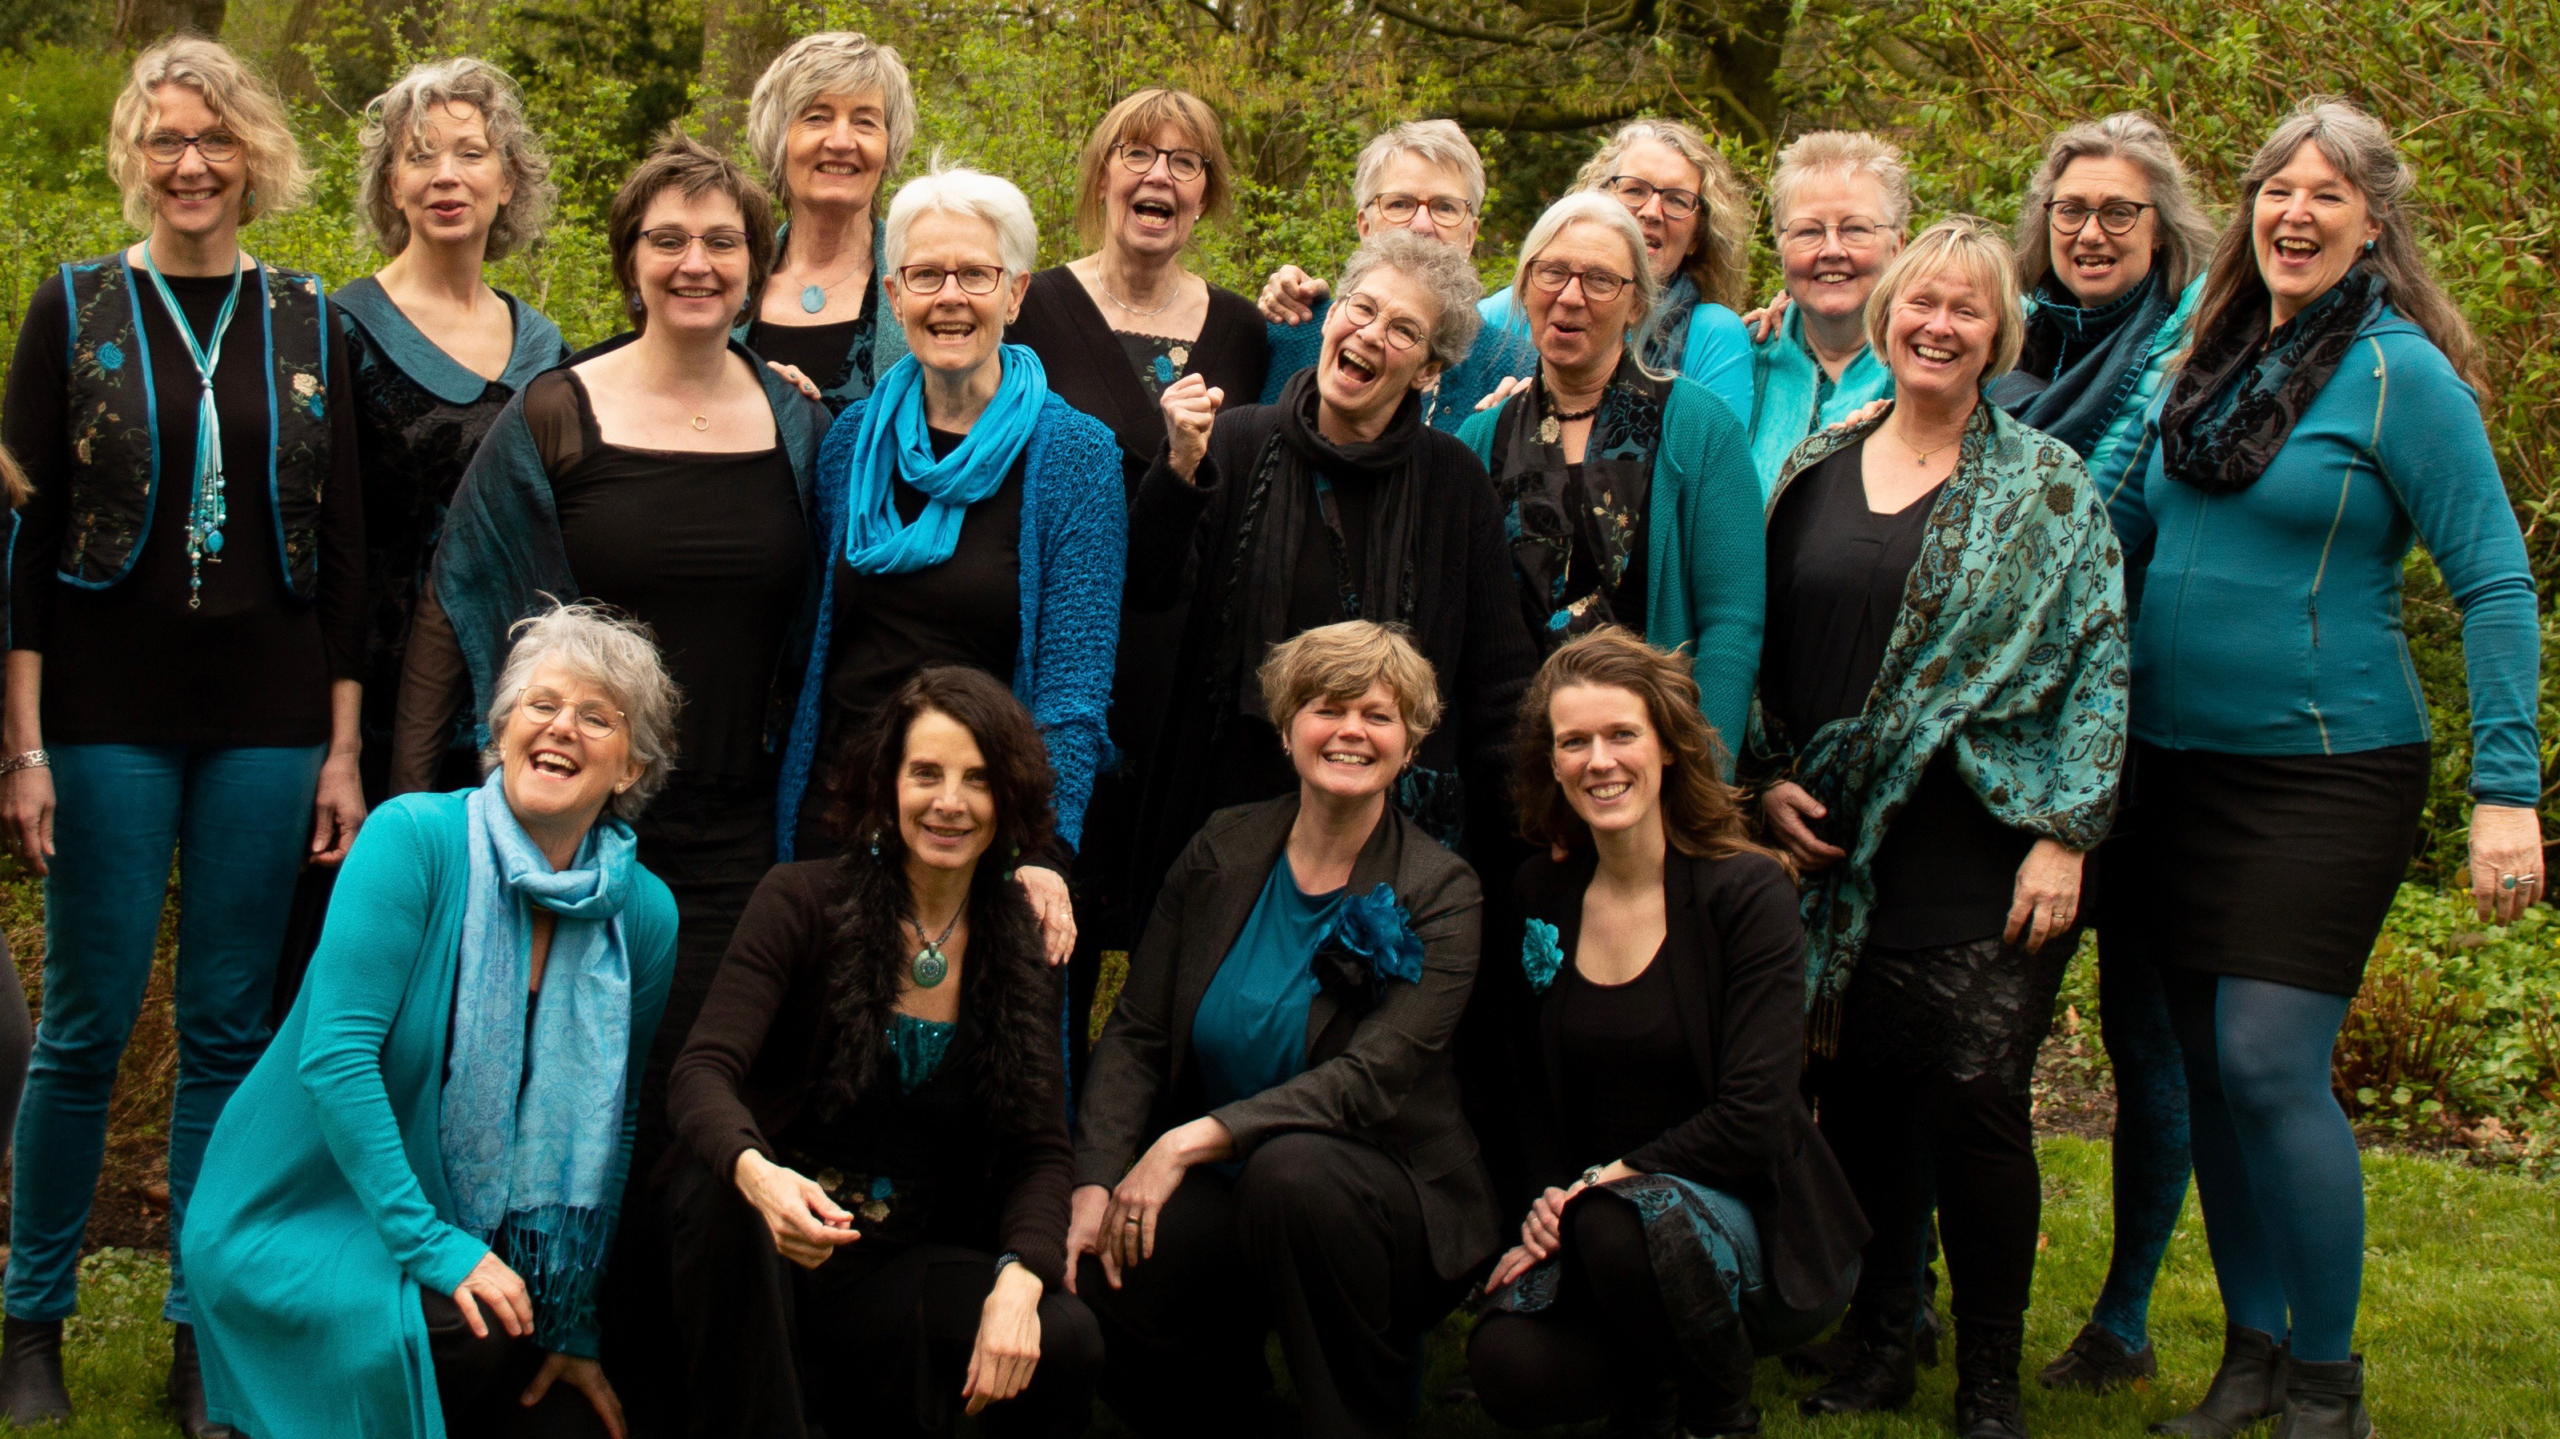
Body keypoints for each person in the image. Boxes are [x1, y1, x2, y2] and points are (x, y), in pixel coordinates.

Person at [2114, 101, 2540, 1439]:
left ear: (2373, 224)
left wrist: (2508, 793)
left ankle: (2330, 1381)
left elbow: (2496, 583)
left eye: (2328, 194)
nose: (2293, 213)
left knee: (2267, 1057)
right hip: (2169, 767)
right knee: (2200, 1061)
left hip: (2325, 770)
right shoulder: (2205, 358)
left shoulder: (2403, 376)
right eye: (2275, 189)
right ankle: (2252, 1349)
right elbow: (2107, 518)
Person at [391, 132, 831, 1425]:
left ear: (757, 263)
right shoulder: (557, 413)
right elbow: (455, 606)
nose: (696, 263)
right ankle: (558, 1375)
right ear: (630, 259)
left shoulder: (802, 423)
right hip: (573, 846)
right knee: (572, 1109)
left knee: (704, 1119)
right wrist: (420, 803)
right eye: (669, 240)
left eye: (722, 241)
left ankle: (703, 1394)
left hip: (738, 842)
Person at [0, 38, 366, 1433]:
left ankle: (197, 1327)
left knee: (227, 1023)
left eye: (214, 139)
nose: (192, 163)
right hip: (102, 715)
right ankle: (34, 1317)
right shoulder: (77, 306)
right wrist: (21, 743)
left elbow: (342, 555)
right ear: (133, 155)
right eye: (165, 140)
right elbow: (25, 538)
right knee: (85, 1021)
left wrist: (339, 748)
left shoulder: (304, 316)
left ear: (254, 151)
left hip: (269, 721)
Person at [1748, 219, 2128, 1439]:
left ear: (1997, 334)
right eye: (1921, 303)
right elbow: (1762, 644)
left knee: (1974, 1104)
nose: (1938, 326)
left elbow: (2099, 665)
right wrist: (1762, 782)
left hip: (1984, 845)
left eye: (1967, 310)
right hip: (1835, 842)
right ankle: (1874, 1341)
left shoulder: (2047, 485)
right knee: (1858, 1100)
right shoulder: (1813, 461)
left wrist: (2066, 834)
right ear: (1886, 315)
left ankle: (1989, 1380)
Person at [184, 602, 679, 1439]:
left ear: (630, 766)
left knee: (574, 1421)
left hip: (494, 1245)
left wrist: (574, 1320)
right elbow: (335, 1059)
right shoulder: (413, 839)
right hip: (308, 1213)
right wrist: (438, 1248)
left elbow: (614, 1119)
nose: (561, 727)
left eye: (596, 717)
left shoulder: (644, 914)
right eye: (541, 704)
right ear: (503, 729)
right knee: (464, 1327)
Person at [1070, 621, 1498, 1439]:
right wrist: (1095, 1178)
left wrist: (1186, 1141)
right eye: (1326, 707)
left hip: (1384, 1200)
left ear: (1409, 744)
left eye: (1377, 715)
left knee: (1292, 1174)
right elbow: (1138, 1031)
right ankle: (1233, 1412)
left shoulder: (1441, 891)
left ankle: (1359, 1414)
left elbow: (1367, 1081)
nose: (1350, 731)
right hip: (1235, 1191)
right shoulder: (1221, 848)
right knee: (1100, 1266)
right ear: (1286, 725)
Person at [666, 666, 1100, 1438]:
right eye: (925, 773)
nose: (948, 802)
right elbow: (702, 1073)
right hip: (768, 1239)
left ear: (1007, 800)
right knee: (720, 1201)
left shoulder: (1024, 942)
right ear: (887, 783)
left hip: (901, 1254)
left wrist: (1020, 1275)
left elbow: (1041, 1150)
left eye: (976, 779)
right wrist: (759, 1174)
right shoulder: (798, 901)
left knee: (1065, 1336)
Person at [1468, 629, 1864, 1437]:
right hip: (1594, 1223)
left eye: (1622, 734)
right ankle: (1653, 1392)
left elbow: (1755, 1112)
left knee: (1624, 1222)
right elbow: (1522, 1086)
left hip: (1748, 1223)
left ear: (1669, 747)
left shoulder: (1746, 891)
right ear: (1551, 762)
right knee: (1507, 1362)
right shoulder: (1539, 889)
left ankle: (1721, 1415)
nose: (1599, 760)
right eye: (1573, 741)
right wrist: (1548, 1202)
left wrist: (1601, 1184)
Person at [1989, 111, 2219, 1396]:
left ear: (2161, 230)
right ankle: (1925, 1296)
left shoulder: (2192, 356)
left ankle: (2123, 1318)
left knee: (2146, 1038)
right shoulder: (2002, 344)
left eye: (2118, 213)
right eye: (2071, 210)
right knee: (1979, 1040)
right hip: (2002, 747)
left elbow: (2106, 526)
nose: (2089, 232)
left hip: (2150, 742)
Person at [772, 163, 1122, 989]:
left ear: (1017, 292)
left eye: (976, 273)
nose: (950, 296)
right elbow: (819, 646)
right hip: (841, 814)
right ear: (894, 296)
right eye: (926, 275)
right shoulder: (852, 441)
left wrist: (1044, 853)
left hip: (975, 830)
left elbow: (1074, 692)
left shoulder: (1074, 456)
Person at [1129, 229, 1537, 917]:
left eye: (1404, 329)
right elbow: (1149, 588)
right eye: (1362, 306)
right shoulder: (1237, 441)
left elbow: (1498, 680)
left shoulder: (1453, 481)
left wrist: (1525, 836)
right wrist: (1177, 470)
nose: (1371, 333)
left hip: (1391, 840)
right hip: (1230, 812)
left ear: (1429, 370)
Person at [1003, 87, 1270, 1076]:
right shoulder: (1029, 308)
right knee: (1044, 905)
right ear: (1100, 176)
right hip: (1055, 657)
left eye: (1185, 161)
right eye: (1136, 153)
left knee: (1170, 928)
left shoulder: (1244, 334)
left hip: (1184, 671)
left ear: (1206, 196)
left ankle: (1137, 1153)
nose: (1158, 174)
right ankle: (1040, 1136)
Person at [1455, 192, 1762, 765]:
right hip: (1519, 771)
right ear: (1523, 287)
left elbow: (1731, 628)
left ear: (1636, 303)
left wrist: (1704, 782)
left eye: (1599, 280)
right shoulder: (1482, 440)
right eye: (1551, 273)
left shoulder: (1699, 429)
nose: (1569, 297)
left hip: (1659, 772)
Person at [340, 57, 571, 804]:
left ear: (507, 182)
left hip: (513, 710)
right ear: (391, 186)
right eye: (420, 155)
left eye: (471, 154)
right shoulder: (339, 332)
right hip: (367, 712)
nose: (446, 176)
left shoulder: (546, 348)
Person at [1253, 121, 1537, 430]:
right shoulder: (1284, 339)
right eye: (1400, 204)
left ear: (1470, 235)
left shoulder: (1520, 370)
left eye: (1445, 207)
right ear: (1364, 227)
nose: (1421, 225)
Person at [1478, 118, 1757, 418]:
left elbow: (1715, 457)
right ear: (1596, 200)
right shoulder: (1511, 312)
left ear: (1697, 237)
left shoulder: (1712, 335)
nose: (1652, 212)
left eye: (1676, 200)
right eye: (1634, 191)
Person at [734, 31, 916, 413]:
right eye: (817, 117)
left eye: (865, 122)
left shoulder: (925, 284)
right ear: (778, 138)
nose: (841, 141)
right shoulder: (728, 281)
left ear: (889, 144)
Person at [1743, 131, 1908, 494]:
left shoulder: (1933, 366)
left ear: (1897, 246)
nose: (1832, 250)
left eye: (1855, 229)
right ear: (1781, 247)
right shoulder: (1741, 358)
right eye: (1808, 232)